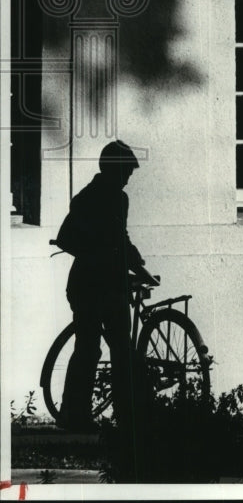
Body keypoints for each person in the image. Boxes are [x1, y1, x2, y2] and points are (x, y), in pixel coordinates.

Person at [57, 139, 159, 433]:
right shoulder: (100, 198)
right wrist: (132, 264)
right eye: (126, 171)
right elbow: (110, 241)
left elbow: (119, 240)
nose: (129, 177)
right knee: (101, 350)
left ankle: (87, 416)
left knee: (103, 350)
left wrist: (135, 262)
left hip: (101, 284)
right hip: (93, 285)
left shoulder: (102, 197)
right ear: (114, 170)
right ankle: (103, 417)